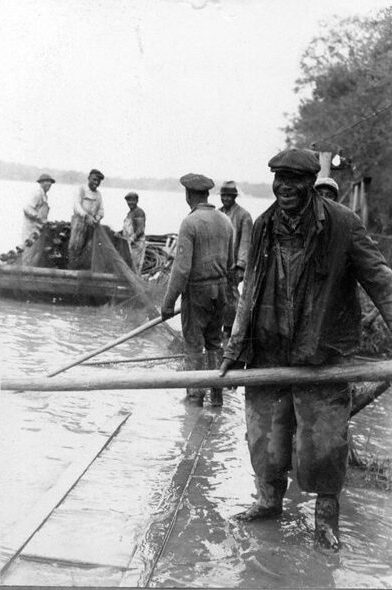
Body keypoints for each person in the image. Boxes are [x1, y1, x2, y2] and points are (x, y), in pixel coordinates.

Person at [220, 148, 392, 550]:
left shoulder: (342, 225)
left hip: (322, 354)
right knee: (265, 438)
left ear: (311, 183)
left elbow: (381, 281)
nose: (285, 187)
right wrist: (234, 346)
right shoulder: (264, 225)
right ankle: (268, 503)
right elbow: (249, 294)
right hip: (267, 351)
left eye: (294, 180)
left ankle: (325, 522)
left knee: (325, 444)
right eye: (279, 178)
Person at [161, 173, 234, 407]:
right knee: (215, 343)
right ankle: (217, 397)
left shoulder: (190, 223)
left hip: (198, 292)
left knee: (193, 345)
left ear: (188, 194)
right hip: (221, 290)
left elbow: (181, 269)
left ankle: (194, 398)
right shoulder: (225, 221)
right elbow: (231, 264)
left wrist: (168, 303)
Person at [219, 180, 253, 341]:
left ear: (234, 197)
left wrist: (241, 266)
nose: (225, 199)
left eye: (229, 196)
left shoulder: (243, 216)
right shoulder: (218, 214)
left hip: (233, 266)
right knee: (219, 298)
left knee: (232, 299)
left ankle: (232, 330)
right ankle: (220, 329)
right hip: (218, 265)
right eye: (223, 195)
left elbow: (246, 242)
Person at [68, 169, 104, 269]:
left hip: (92, 224)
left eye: (98, 181)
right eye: (94, 180)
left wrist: (97, 217)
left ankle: (83, 271)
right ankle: (72, 270)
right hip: (79, 223)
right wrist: (86, 215)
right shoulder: (81, 189)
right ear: (89, 178)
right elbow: (76, 206)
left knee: (89, 248)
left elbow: (101, 211)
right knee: (75, 247)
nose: (96, 183)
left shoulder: (98, 194)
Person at [20, 173, 56, 265]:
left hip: (39, 229)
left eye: (51, 182)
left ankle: (30, 272)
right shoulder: (37, 194)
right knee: (29, 251)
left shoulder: (44, 196)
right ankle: (25, 272)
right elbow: (27, 208)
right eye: (47, 181)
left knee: (37, 252)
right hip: (30, 229)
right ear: (41, 183)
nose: (50, 184)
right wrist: (38, 217)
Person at [122, 192, 146, 274]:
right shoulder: (129, 213)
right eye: (128, 201)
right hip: (129, 244)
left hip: (137, 245)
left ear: (137, 201)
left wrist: (132, 238)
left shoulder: (139, 212)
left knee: (135, 267)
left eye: (133, 200)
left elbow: (140, 229)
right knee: (129, 266)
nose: (130, 203)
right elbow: (127, 228)